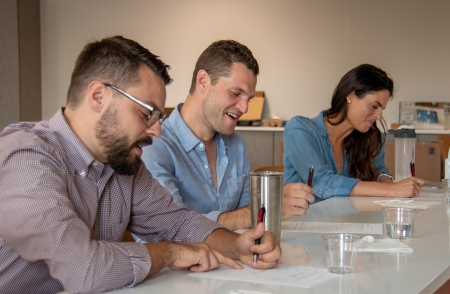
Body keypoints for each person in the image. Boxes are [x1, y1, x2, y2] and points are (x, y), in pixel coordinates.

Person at [0, 36, 281, 294]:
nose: (157, 131)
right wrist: (169, 253)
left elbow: (177, 221)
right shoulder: (26, 159)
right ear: (98, 97)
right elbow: (84, 269)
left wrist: (233, 244)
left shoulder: (120, 163)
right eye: (146, 113)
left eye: (158, 116)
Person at [141, 40, 314, 231]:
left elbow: (247, 218)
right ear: (203, 82)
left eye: (248, 99)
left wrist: (262, 213)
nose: (245, 108)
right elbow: (171, 229)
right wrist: (269, 207)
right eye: (235, 93)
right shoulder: (154, 145)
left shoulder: (237, 144)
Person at [283, 64, 425, 203]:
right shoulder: (299, 129)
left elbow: (379, 171)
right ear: (351, 95)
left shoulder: (372, 138)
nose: (379, 116)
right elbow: (322, 183)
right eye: (374, 106)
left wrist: (389, 183)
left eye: (382, 109)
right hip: (304, 224)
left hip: (347, 224)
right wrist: (391, 190)